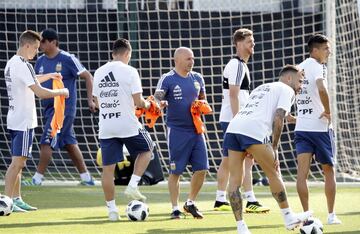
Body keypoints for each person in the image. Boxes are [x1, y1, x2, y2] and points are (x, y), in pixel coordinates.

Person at [224, 65, 312, 233]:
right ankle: (288, 217)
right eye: (300, 81)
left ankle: (241, 227)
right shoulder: (288, 91)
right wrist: (275, 148)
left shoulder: (263, 87)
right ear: (288, 78)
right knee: (274, 173)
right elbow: (278, 118)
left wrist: (293, 118)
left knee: (235, 179)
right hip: (253, 131)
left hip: (234, 128)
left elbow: (275, 112)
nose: (301, 86)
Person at [4, 30, 69, 212]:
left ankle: (16, 199)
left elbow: (30, 81)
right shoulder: (23, 64)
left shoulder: (13, 63)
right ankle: (6, 201)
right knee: (18, 163)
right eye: (34, 48)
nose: (36, 52)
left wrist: (49, 76)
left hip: (15, 119)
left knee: (19, 163)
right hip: (23, 121)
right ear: (26, 46)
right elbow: (39, 92)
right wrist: (61, 92)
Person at [93, 38, 154, 221]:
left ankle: (112, 211)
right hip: (127, 124)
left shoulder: (99, 72)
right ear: (128, 54)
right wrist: (150, 104)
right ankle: (133, 184)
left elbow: (96, 102)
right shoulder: (130, 71)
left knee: (108, 170)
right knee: (148, 148)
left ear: (113, 54)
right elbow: (139, 102)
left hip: (106, 126)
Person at [25, 28, 96, 186]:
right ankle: (86, 178)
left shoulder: (67, 58)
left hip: (62, 109)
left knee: (47, 141)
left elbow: (88, 76)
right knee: (69, 143)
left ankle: (37, 179)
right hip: (48, 108)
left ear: (53, 42)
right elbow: (36, 82)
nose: (40, 44)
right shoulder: (41, 61)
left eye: (42, 41)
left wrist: (90, 100)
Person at [215, 28, 270, 213]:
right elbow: (233, 95)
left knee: (231, 160)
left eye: (253, 41)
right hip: (235, 121)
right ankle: (249, 200)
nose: (252, 44)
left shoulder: (241, 65)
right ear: (238, 44)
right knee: (245, 160)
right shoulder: (236, 65)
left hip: (234, 121)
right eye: (249, 41)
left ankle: (221, 199)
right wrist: (238, 120)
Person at [154, 47, 209, 219]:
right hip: (177, 130)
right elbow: (157, 98)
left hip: (196, 130)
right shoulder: (168, 78)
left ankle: (190, 202)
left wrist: (201, 105)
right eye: (188, 59)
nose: (191, 62)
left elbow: (203, 99)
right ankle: (174, 208)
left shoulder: (198, 78)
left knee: (202, 169)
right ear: (176, 60)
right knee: (176, 171)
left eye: (193, 59)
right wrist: (159, 104)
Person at [295, 34, 341, 225]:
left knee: (302, 174)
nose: (329, 52)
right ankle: (331, 215)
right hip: (320, 128)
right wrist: (328, 111)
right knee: (329, 171)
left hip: (302, 128)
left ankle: (307, 216)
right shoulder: (317, 66)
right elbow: (322, 89)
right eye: (326, 48)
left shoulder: (298, 68)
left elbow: (292, 91)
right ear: (315, 50)